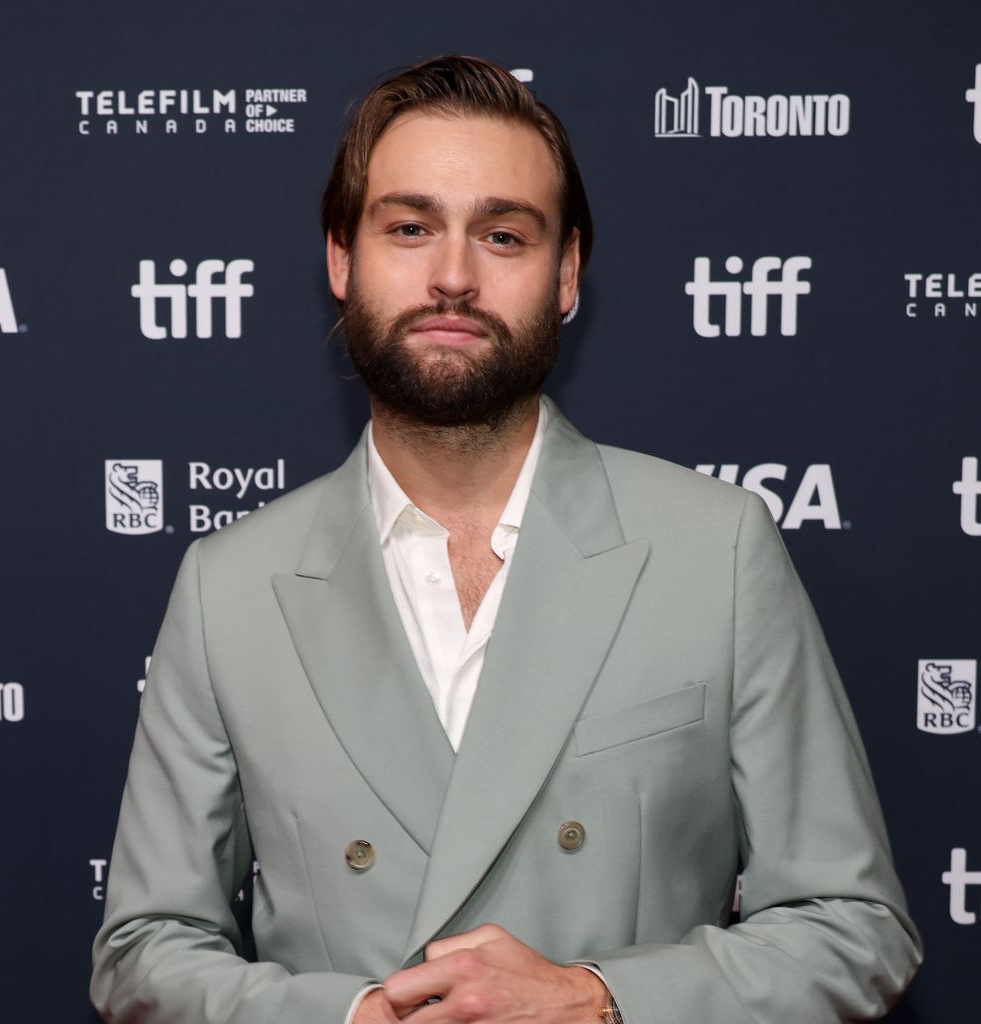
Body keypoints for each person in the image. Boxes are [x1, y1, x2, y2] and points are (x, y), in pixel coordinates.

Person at [91, 55, 922, 1024]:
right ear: (339, 260)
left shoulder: (715, 549)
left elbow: (852, 925)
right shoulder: (228, 585)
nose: (452, 276)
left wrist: (599, 999)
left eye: (502, 234)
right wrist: (353, 1017)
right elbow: (142, 949)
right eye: (408, 228)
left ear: (565, 272)